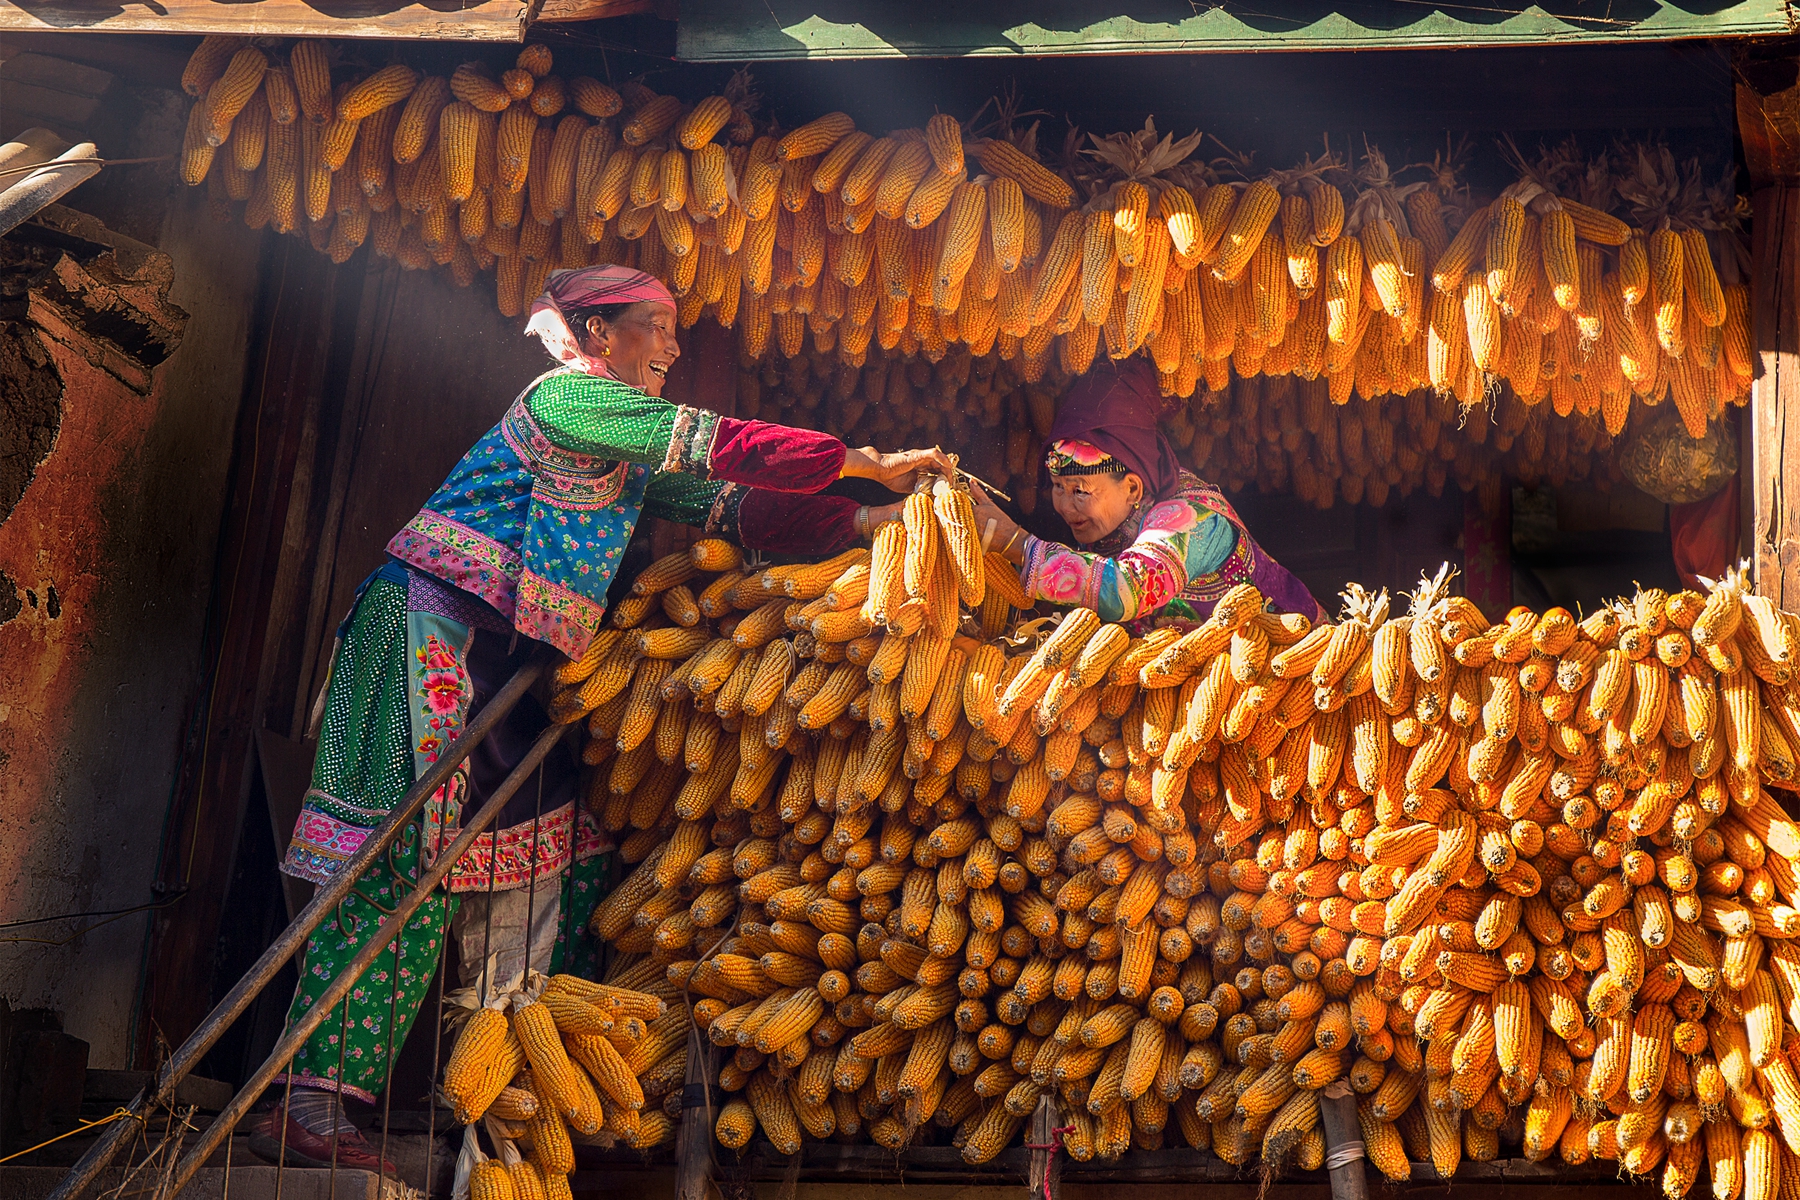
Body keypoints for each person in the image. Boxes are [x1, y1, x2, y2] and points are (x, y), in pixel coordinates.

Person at [253, 265, 949, 1171]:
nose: (669, 347)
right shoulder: (570, 399)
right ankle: (309, 1102)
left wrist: (873, 524)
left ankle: (487, 1081)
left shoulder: (619, 449)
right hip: (425, 632)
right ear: (597, 335)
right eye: (653, 327)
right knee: (400, 858)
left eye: (672, 330)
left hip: (495, 663)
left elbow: (731, 504)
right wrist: (864, 462)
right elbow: (716, 444)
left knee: (559, 851)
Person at [972, 358, 1323, 630]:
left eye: (1080, 490)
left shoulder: (1190, 518)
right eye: (1058, 488)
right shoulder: (1110, 530)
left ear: (1132, 488)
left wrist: (1014, 543)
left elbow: (1127, 589)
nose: (1065, 505)